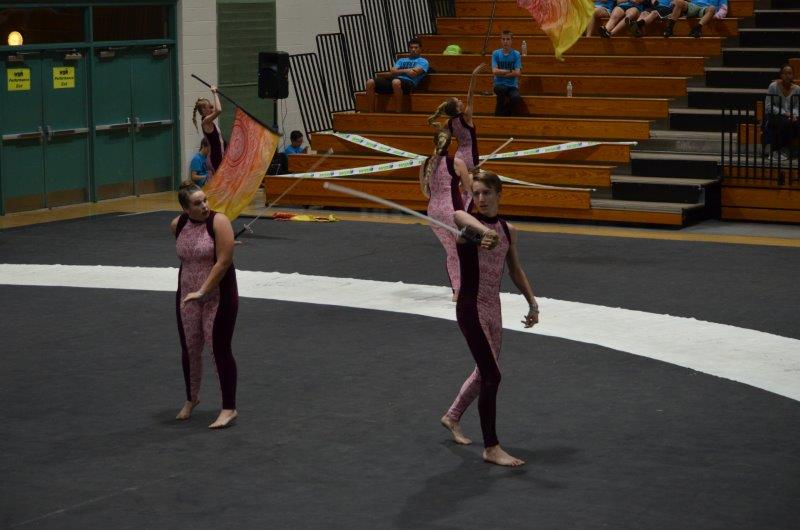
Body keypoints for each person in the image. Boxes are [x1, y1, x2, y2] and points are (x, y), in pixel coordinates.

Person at [440, 169, 539, 467]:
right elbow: (458, 215)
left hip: (493, 309)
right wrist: (483, 234)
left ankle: (452, 416)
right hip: (470, 309)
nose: (480, 199)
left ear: (499, 194)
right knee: (493, 375)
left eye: (486, 193)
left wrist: (532, 303)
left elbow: (515, 270)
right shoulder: (469, 229)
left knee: (485, 371)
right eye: (476, 193)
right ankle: (491, 447)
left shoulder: (509, 230)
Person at [172, 181, 239, 429]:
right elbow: (188, 257)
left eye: (205, 200)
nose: (204, 206)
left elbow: (223, 262)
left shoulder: (219, 221)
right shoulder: (177, 225)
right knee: (189, 348)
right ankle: (192, 398)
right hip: (187, 295)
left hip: (218, 296)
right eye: (197, 203)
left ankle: (229, 408)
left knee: (218, 348)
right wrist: (193, 293)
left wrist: (203, 290)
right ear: (185, 209)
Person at [419, 127, 473, 302]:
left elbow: (426, 192)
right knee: (463, 250)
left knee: (451, 251)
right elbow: (468, 190)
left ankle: (457, 291)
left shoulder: (426, 163)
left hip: (433, 212)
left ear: (434, 142)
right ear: (451, 143)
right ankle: (465, 288)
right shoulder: (456, 162)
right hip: (452, 211)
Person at [428, 63, 486, 172]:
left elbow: (442, 139)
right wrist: (474, 76)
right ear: (457, 107)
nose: (460, 100)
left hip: (458, 157)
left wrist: (438, 127)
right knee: (472, 181)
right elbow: (470, 95)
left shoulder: (448, 123)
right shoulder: (466, 117)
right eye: (458, 100)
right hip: (471, 156)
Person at [365, 38, 429, 113]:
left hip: (409, 83)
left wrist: (398, 71)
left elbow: (413, 74)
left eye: (416, 47)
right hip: (394, 81)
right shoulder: (401, 60)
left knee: (396, 82)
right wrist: (407, 70)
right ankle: (371, 112)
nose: (413, 49)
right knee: (370, 82)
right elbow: (392, 71)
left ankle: (398, 111)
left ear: (420, 49)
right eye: (411, 47)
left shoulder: (423, 61)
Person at [763, 65, 800, 161]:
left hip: (791, 116)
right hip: (775, 115)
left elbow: (797, 106)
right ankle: (780, 149)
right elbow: (768, 106)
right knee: (785, 123)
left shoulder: (797, 89)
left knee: (794, 123)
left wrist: (793, 115)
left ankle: (784, 150)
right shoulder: (773, 86)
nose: (787, 75)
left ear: (793, 75)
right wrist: (784, 113)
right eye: (785, 73)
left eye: (790, 73)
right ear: (781, 75)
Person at [192, 85, 225, 173]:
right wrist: (214, 93)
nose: (211, 108)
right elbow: (219, 110)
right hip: (215, 158)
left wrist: (211, 104)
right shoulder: (206, 121)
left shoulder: (208, 121)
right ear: (203, 110)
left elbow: (215, 108)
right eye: (209, 107)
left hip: (219, 156)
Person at [491, 32, 522, 117]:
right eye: (503, 39)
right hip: (499, 85)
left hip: (512, 86)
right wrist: (510, 71)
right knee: (502, 90)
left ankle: (508, 116)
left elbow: (518, 72)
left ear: (511, 41)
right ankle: (498, 116)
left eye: (508, 39)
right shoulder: (496, 53)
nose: (505, 41)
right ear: (501, 40)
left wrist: (501, 73)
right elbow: (494, 71)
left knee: (516, 98)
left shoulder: (516, 54)